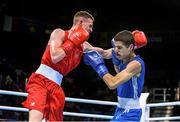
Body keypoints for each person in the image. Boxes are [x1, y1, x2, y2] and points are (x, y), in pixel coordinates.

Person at [21, 10, 102, 121]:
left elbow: (104, 52)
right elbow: (55, 57)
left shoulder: (83, 46)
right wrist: (72, 42)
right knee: (36, 119)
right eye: (90, 26)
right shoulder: (60, 33)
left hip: (56, 87)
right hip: (40, 81)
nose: (91, 30)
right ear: (81, 22)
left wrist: (124, 47)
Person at [84, 30, 147, 121]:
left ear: (130, 47)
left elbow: (112, 83)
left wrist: (98, 65)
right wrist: (79, 44)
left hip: (131, 113)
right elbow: (103, 53)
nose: (116, 50)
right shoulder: (120, 54)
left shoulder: (136, 64)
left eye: (119, 48)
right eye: (115, 47)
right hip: (120, 109)